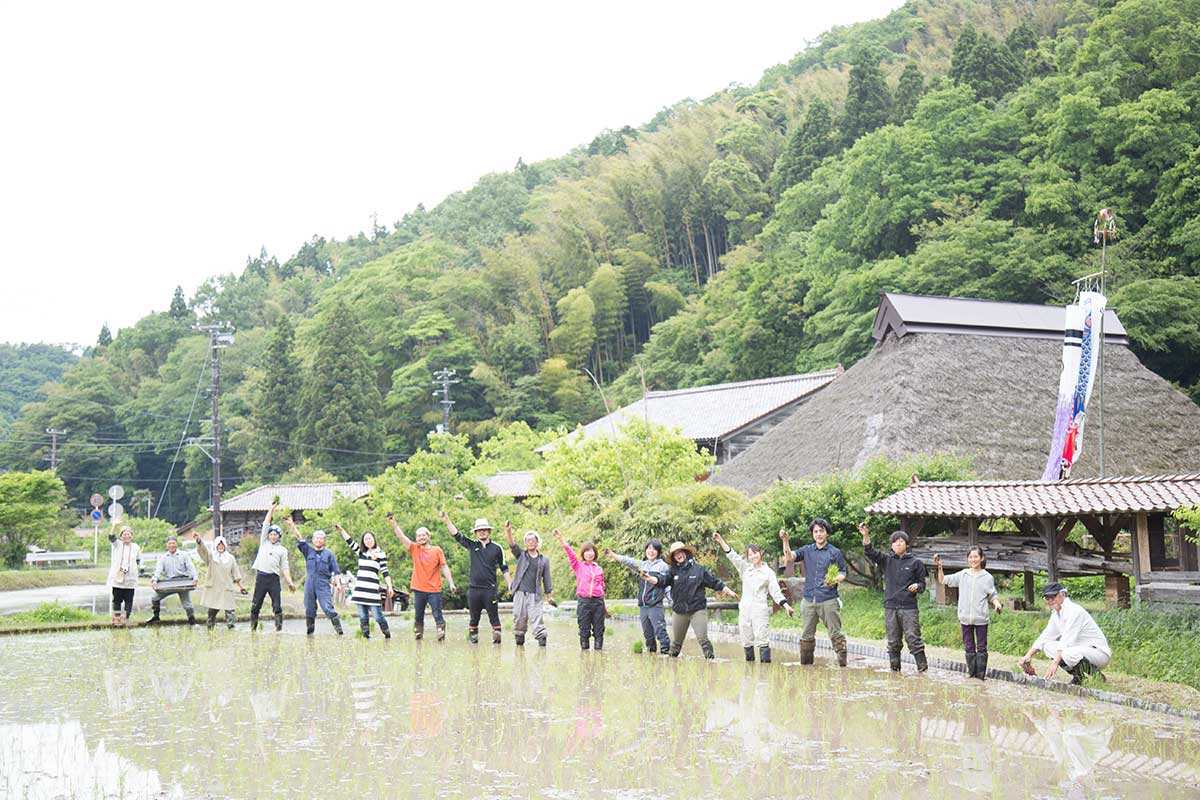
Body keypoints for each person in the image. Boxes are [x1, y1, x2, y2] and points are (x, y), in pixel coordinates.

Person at [642, 541, 737, 659]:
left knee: (703, 639)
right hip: (679, 611)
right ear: (673, 557)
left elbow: (714, 582)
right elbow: (662, 580)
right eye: (675, 554)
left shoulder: (699, 569)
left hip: (697, 610)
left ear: (686, 552)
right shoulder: (672, 571)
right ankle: (671, 667)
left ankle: (711, 665)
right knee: (676, 643)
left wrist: (729, 591)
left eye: (680, 552)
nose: (678, 555)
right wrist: (650, 578)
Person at [715, 532, 793, 663]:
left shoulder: (768, 572)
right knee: (746, 641)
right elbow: (732, 556)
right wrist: (720, 540)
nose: (753, 556)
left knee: (762, 640)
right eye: (750, 554)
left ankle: (765, 674)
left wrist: (786, 606)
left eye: (755, 553)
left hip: (759, 611)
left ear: (760, 553)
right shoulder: (745, 569)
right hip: (745, 610)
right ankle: (750, 673)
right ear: (748, 557)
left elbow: (776, 592)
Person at [861, 522, 928, 673]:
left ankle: (923, 671)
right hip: (890, 607)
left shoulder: (915, 563)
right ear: (891, 545)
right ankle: (894, 671)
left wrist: (917, 586)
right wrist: (865, 535)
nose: (898, 543)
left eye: (901, 541)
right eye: (895, 541)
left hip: (909, 608)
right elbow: (870, 552)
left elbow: (923, 585)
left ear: (907, 544)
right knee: (893, 642)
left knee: (913, 639)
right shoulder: (887, 560)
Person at [781, 519, 849, 667]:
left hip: (829, 598)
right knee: (806, 636)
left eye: (821, 531)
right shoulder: (807, 550)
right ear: (813, 534)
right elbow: (789, 557)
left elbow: (843, 572)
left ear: (826, 533)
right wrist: (785, 541)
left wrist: (835, 579)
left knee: (836, 634)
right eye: (816, 531)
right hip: (809, 599)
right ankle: (806, 668)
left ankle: (843, 666)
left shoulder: (835, 552)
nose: (818, 534)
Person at [1018, 582, 1112, 685]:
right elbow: (1046, 636)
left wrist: (1055, 663)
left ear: (1062, 594)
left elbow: (1067, 640)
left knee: (1067, 653)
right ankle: (1078, 676)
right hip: (1079, 650)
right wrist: (1028, 655)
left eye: (1053, 596)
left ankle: (1096, 676)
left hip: (1098, 653)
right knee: (1048, 647)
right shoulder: (1056, 614)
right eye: (1047, 598)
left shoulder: (1074, 611)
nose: (1050, 600)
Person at [440, 512, 511, 644]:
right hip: (474, 589)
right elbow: (457, 535)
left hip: (490, 589)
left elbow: (504, 567)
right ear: (476, 533)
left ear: (489, 531)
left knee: (494, 618)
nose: (482, 533)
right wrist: (447, 520)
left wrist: (510, 585)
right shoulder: (472, 545)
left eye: (484, 530)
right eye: (479, 531)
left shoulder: (497, 548)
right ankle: (474, 646)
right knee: (474, 619)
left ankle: (497, 644)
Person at [934, 547, 1003, 680]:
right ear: (967, 559)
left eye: (976, 557)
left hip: (981, 618)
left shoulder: (987, 577)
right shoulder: (963, 574)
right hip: (965, 617)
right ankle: (972, 675)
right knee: (969, 647)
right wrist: (940, 567)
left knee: (982, 647)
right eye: (971, 557)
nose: (973, 559)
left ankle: (981, 676)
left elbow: (992, 595)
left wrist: (997, 604)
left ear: (981, 558)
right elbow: (943, 580)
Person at [388, 514, 456, 641]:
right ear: (416, 538)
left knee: (437, 614)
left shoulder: (437, 550)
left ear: (428, 536)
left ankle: (441, 633)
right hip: (419, 588)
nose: (421, 537)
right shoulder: (415, 549)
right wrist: (394, 524)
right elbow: (401, 537)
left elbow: (444, 567)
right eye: (418, 536)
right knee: (418, 616)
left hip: (434, 589)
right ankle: (418, 636)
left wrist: (451, 583)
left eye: (423, 535)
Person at [605, 539, 671, 655]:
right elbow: (628, 561)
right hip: (643, 607)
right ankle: (652, 657)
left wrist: (672, 602)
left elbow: (667, 586)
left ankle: (667, 657)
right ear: (646, 550)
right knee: (648, 636)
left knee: (660, 632)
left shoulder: (663, 566)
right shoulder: (642, 565)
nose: (651, 551)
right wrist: (613, 555)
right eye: (649, 548)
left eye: (654, 549)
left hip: (655, 606)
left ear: (658, 552)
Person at [335, 523, 394, 639]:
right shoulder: (361, 553)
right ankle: (366, 638)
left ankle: (387, 636)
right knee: (363, 617)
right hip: (360, 590)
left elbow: (385, 572)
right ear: (363, 542)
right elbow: (350, 542)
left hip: (372, 591)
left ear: (374, 539)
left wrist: (390, 586)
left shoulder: (380, 554)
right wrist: (342, 530)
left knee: (378, 616)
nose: (368, 541)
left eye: (370, 538)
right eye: (365, 539)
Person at [286, 518, 344, 636]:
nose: (318, 540)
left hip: (322, 583)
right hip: (309, 583)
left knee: (328, 608)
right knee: (309, 609)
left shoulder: (329, 554)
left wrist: (338, 584)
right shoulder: (308, 551)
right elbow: (298, 537)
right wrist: (292, 524)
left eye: (321, 538)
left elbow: (335, 571)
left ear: (324, 540)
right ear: (313, 540)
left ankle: (339, 631)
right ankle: (310, 633)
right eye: (316, 538)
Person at [504, 521, 554, 647]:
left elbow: (546, 578)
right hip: (520, 592)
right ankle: (519, 647)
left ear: (537, 542)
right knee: (519, 619)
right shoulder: (521, 555)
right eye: (528, 540)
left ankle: (542, 645)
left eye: (533, 540)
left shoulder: (544, 560)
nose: (531, 542)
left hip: (535, 594)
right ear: (525, 543)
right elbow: (512, 545)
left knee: (537, 619)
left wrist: (549, 595)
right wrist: (508, 531)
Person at [554, 529, 605, 650]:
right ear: (583, 553)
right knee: (584, 629)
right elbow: (570, 553)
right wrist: (560, 539)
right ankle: (585, 655)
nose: (589, 554)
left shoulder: (599, 569)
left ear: (595, 553)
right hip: (584, 602)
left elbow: (602, 586)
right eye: (586, 551)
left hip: (598, 602)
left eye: (591, 551)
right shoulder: (579, 566)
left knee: (599, 629)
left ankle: (599, 654)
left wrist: (605, 605)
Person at [249, 504, 295, 632]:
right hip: (261, 577)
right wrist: (272, 509)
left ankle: (278, 629)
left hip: (274, 579)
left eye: (275, 534)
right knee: (256, 605)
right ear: (268, 535)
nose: (273, 536)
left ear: (279, 536)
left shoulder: (282, 550)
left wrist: (290, 582)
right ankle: (253, 629)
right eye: (271, 534)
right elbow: (265, 524)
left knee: (277, 606)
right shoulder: (264, 542)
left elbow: (285, 568)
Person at [193, 530, 248, 629]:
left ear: (225, 546)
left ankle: (231, 630)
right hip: (214, 588)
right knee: (212, 612)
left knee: (230, 610)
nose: (220, 547)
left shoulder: (230, 558)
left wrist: (241, 587)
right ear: (215, 546)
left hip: (227, 588)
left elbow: (236, 574)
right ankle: (210, 630)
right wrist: (199, 541)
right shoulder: (211, 557)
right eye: (218, 545)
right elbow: (203, 551)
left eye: (222, 545)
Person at [147, 534, 197, 625]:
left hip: (182, 582)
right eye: (170, 543)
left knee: (187, 605)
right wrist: (154, 580)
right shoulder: (163, 557)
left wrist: (195, 577)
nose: (172, 545)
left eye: (173, 543)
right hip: (168, 582)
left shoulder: (184, 554)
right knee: (154, 597)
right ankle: (156, 617)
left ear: (176, 544)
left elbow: (190, 567)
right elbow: (158, 570)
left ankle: (192, 620)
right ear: (167, 545)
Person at [106, 523, 141, 627]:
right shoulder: (117, 545)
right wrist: (114, 525)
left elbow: (138, 560)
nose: (127, 536)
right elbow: (111, 537)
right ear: (121, 536)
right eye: (124, 534)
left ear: (131, 535)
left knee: (129, 600)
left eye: (129, 534)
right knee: (117, 599)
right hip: (118, 578)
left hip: (131, 579)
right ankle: (117, 619)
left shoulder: (136, 547)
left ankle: (125, 619)